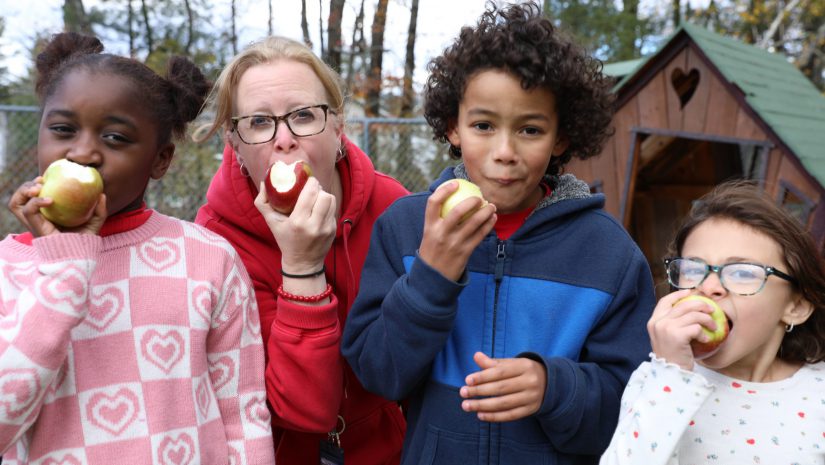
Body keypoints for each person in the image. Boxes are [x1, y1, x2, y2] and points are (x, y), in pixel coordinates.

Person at [341, 3, 656, 464]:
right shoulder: (407, 229)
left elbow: (633, 405)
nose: (504, 152)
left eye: (530, 129)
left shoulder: (608, 254)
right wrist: (431, 276)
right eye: (483, 125)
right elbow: (378, 373)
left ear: (561, 138)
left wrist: (555, 387)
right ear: (453, 126)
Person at [0, 32, 275, 464]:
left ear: (160, 160)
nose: (82, 152)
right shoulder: (9, 269)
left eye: (114, 138)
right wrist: (63, 274)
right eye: (62, 129)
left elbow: (242, 413)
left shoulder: (207, 258)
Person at [193, 36, 409, 465]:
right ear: (234, 144)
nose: (285, 139)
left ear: (337, 126)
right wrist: (301, 267)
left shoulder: (393, 208)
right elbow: (306, 411)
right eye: (259, 122)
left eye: (304, 116)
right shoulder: (215, 243)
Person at [600, 180, 825, 464]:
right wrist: (672, 374)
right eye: (693, 269)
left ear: (796, 307)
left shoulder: (818, 392)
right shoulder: (656, 381)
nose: (708, 286)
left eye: (743, 273)